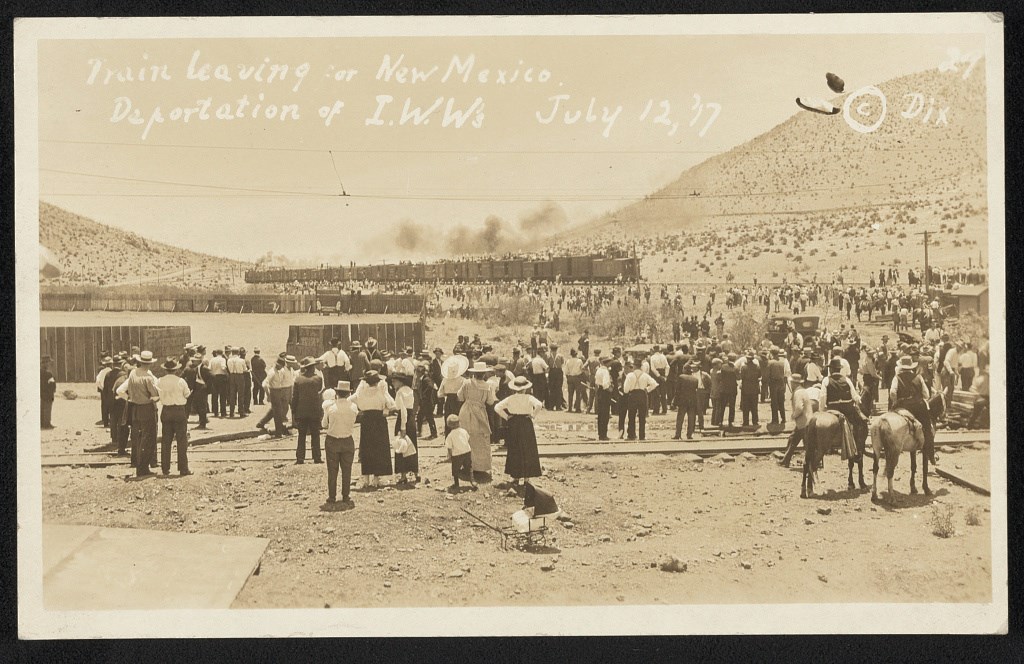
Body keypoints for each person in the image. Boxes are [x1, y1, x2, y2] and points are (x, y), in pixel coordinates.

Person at [116, 350, 161, 477]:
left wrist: (129, 398)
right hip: (146, 408)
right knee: (149, 438)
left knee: (138, 437)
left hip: (134, 408)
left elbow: (120, 391)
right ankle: (143, 468)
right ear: (150, 363)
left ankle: (138, 464)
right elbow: (155, 395)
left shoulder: (133, 374)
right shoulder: (148, 377)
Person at [494, 376, 544, 488]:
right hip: (526, 422)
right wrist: (533, 415)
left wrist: (506, 417)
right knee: (528, 448)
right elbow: (539, 405)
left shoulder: (510, 398)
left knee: (514, 448)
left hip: (514, 423)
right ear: (525, 388)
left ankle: (515, 476)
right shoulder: (529, 397)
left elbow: (497, 407)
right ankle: (527, 478)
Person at [350, 370, 395, 489]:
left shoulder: (361, 392)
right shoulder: (381, 392)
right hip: (378, 419)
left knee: (366, 447)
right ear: (377, 382)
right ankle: (376, 478)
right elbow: (391, 404)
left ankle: (366, 479)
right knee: (379, 448)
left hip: (366, 420)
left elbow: (353, 399)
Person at [889, 355, 935, 464]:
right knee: (928, 429)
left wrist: (896, 401)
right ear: (911, 367)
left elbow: (892, 392)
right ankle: (930, 454)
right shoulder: (918, 377)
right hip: (918, 407)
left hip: (902, 406)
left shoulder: (897, 377)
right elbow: (926, 395)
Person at [819, 357, 868, 457]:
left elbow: (823, 396)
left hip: (833, 409)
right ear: (839, 369)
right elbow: (854, 396)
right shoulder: (847, 380)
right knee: (862, 424)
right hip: (848, 410)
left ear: (831, 369)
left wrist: (821, 410)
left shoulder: (826, 380)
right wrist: (859, 400)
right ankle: (859, 447)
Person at [322, 381, 358, 505]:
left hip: (332, 439)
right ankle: (345, 495)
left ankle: (332, 496)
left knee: (332, 470)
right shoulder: (353, 407)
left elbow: (324, 424)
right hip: (347, 439)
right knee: (347, 470)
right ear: (348, 393)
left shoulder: (330, 407)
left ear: (336, 393)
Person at [458, 362, 495, 482]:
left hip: (466, 411)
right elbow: (490, 402)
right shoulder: (487, 386)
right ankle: (480, 466)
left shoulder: (467, 383)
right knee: (480, 438)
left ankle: (468, 465)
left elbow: (460, 397)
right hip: (479, 412)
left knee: (467, 437)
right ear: (484, 374)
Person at [157, 358, 192, 476]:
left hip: (166, 410)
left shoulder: (159, 381)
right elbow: (187, 394)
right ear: (176, 370)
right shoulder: (181, 381)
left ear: (166, 370)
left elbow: (156, 394)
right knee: (182, 440)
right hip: (179, 411)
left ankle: (165, 468)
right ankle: (183, 468)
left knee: (166, 440)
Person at [780, 374, 821, 467]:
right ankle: (785, 460)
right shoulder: (802, 391)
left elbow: (799, 408)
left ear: (794, 383)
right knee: (793, 439)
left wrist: (793, 416)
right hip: (804, 421)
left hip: (804, 422)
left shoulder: (798, 393)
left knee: (807, 444)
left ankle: (813, 462)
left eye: (791, 382)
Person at [291, 357, 324, 464]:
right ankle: (317, 457)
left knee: (301, 435)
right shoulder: (318, 379)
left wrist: (294, 412)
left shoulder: (298, 380)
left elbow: (294, 398)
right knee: (315, 435)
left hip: (302, 411)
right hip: (314, 411)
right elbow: (319, 393)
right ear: (313, 367)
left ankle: (300, 458)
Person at [391, 371, 419, 485]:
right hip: (411, 419)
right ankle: (416, 472)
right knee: (412, 445)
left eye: (394, 381)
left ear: (400, 382)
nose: (393, 383)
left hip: (403, 419)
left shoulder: (399, 393)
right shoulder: (410, 391)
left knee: (402, 445)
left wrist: (402, 427)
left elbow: (402, 410)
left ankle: (403, 475)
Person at [259, 355, 296, 437]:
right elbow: (265, 384)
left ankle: (262, 423)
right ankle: (278, 432)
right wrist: (268, 395)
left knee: (276, 411)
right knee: (278, 413)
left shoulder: (282, 370)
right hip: (277, 391)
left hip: (282, 391)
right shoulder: (274, 372)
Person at [622, 362, 658, 440]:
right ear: (641, 366)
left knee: (631, 416)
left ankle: (631, 435)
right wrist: (647, 389)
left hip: (633, 395)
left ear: (634, 366)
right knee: (642, 416)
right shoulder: (645, 375)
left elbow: (625, 390)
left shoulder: (630, 375)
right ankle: (642, 435)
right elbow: (654, 384)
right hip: (642, 395)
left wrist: (629, 390)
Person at [444, 414, 476, 493]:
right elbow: (468, 439)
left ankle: (456, 483)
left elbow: (449, 447)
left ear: (449, 425)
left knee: (455, 469)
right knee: (469, 467)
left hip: (457, 455)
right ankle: (473, 481)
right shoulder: (463, 431)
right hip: (467, 452)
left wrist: (450, 456)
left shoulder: (450, 436)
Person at [672, 361, 700, 440]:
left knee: (680, 418)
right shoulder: (695, 379)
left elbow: (677, 391)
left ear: (684, 369)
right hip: (692, 401)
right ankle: (689, 434)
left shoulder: (681, 377)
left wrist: (674, 402)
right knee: (691, 418)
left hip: (683, 401)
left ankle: (678, 434)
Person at [765, 348, 789, 426]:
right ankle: (783, 418)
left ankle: (775, 419)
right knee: (781, 401)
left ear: (772, 354)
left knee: (774, 402)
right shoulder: (782, 362)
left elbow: (767, 375)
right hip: (781, 383)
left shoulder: (770, 362)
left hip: (773, 383)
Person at [415, 363, 438, 440]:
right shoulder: (423, 378)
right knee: (421, 417)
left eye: (416, 372)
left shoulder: (426, 379)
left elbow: (430, 387)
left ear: (419, 372)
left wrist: (424, 396)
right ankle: (420, 431)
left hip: (427, 402)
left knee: (429, 418)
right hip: (425, 402)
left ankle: (433, 433)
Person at [593, 355, 613, 441]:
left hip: (599, 391)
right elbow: (605, 384)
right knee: (605, 414)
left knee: (600, 414)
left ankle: (600, 433)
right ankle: (603, 434)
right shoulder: (605, 371)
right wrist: (610, 389)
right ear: (607, 363)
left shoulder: (599, 370)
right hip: (605, 392)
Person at [715, 354, 738, 427]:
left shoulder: (723, 367)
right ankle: (730, 422)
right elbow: (738, 378)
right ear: (734, 359)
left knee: (722, 406)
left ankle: (720, 421)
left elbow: (719, 376)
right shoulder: (735, 368)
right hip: (732, 390)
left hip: (723, 389)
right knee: (732, 406)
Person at [740, 350, 761, 427]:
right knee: (754, 406)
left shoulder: (744, 367)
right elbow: (759, 376)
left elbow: (741, 377)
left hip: (746, 389)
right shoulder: (757, 367)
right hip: (754, 389)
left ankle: (746, 422)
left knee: (746, 407)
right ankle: (755, 421)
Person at [226, 347, 247, 418]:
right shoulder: (241, 360)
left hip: (232, 376)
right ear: (238, 353)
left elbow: (228, 369)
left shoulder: (229, 360)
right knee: (241, 395)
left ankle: (231, 412)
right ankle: (241, 412)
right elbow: (245, 370)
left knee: (232, 394)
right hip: (240, 376)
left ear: (232, 352)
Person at [208, 349, 228, 417]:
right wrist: (227, 374)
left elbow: (209, 368)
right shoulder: (222, 359)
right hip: (221, 377)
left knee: (214, 395)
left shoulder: (212, 360)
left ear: (216, 353)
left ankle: (215, 412)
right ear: (222, 353)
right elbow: (223, 367)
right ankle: (223, 412)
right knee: (223, 395)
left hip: (214, 377)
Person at [564, 349, 586, 413]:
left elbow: (566, 371)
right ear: (576, 354)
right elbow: (582, 369)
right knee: (578, 393)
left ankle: (570, 408)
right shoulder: (579, 361)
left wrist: (568, 377)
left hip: (570, 377)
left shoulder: (568, 361)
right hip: (577, 377)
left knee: (570, 394)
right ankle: (577, 408)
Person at [96, 356, 113, 427]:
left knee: (104, 406)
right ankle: (112, 421)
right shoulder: (111, 372)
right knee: (111, 405)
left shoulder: (102, 372)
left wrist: (102, 389)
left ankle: (105, 421)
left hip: (104, 391)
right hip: (111, 390)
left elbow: (98, 381)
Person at [41, 354, 56, 429]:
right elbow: (52, 385)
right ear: (46, 363)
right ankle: (47, 424)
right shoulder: (48, 374)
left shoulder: (39, 372)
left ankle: (42, 424)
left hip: (41, 394)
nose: (50, 364)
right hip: (48, 394)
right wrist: (52, 392)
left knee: (42, 408)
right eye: (49, 362)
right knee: (47, 409)